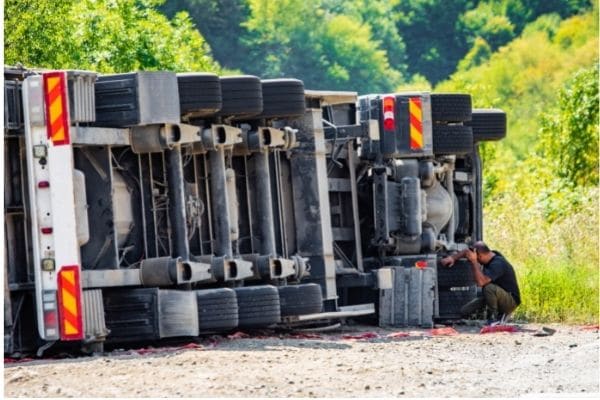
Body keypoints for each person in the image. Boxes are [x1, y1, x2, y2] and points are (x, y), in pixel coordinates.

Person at [440, 241, 521, 323]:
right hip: (496, 296)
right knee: (465, 312)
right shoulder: (490, 254)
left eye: (477, 258)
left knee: (488, 288)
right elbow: (466, 251)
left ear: (480, 256)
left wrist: (474, 261)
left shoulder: (498, 264)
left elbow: (481, 283)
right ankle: (484, 316)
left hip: (510, 301)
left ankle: (495, 318)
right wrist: (453, 258)